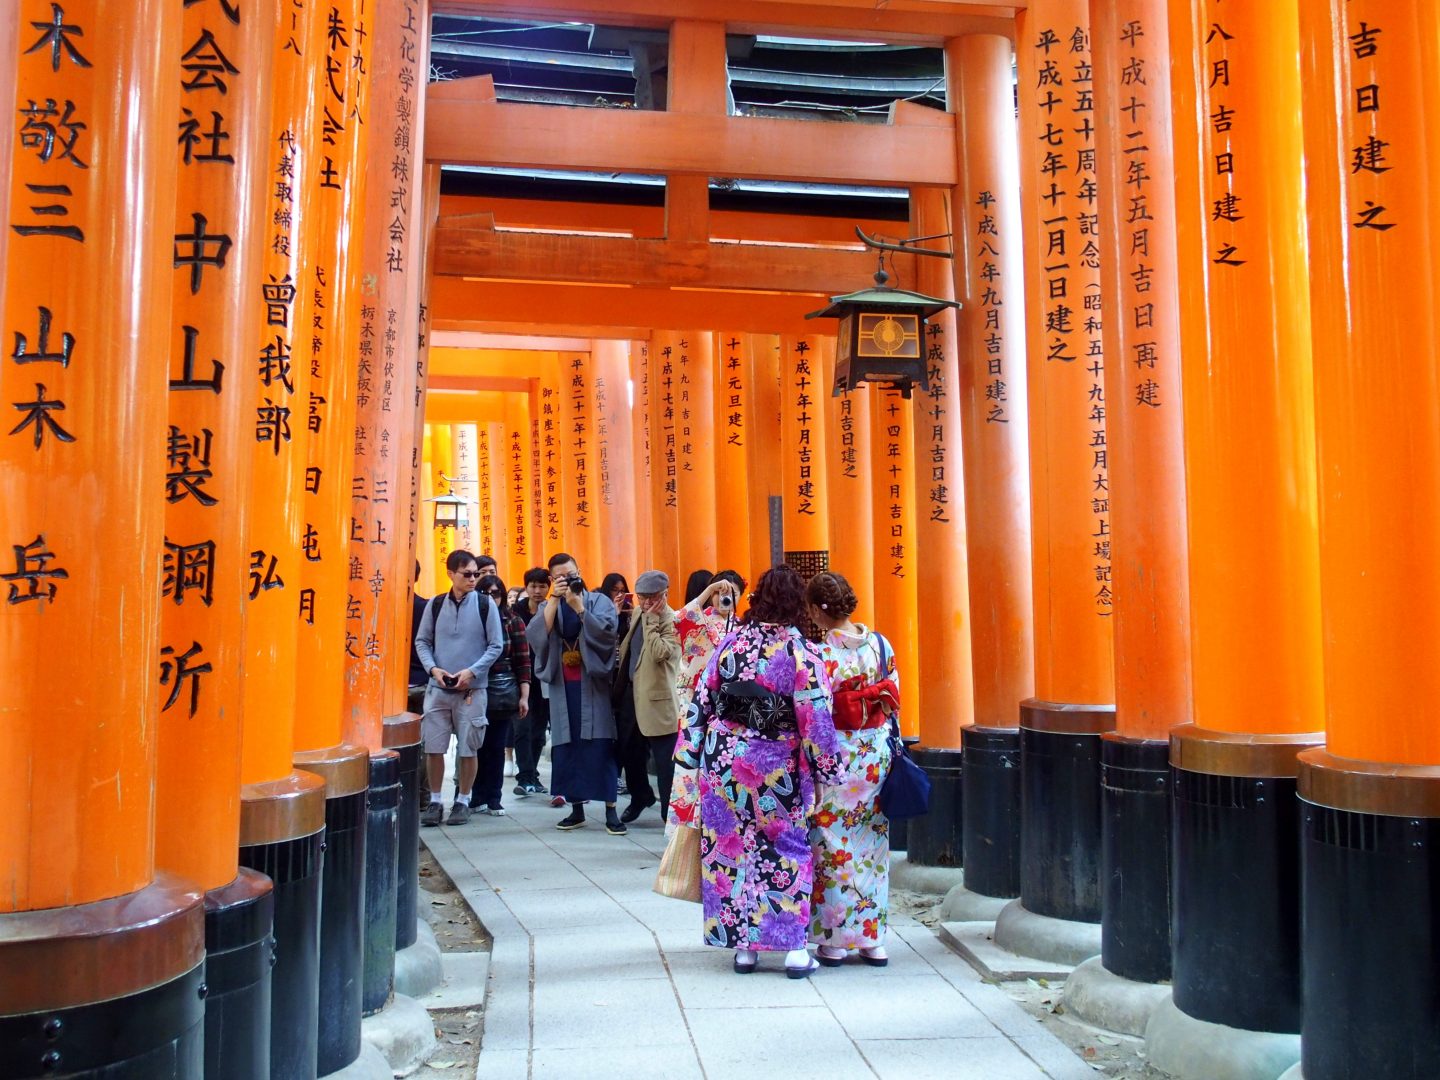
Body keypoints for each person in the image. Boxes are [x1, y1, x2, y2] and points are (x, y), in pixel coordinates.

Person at [675, 565, 842, 977]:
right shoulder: (801, 653)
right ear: (796, 604)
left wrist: (690, 754)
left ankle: (744, 948)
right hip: (775, 761)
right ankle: (793, 949)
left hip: (724, 758)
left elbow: (704, 697)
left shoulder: (731, 644)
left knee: (729, 847)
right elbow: (815, 717)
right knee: (786, 846)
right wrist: (827, 769)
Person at [804, 571, 899, 967]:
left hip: (838, 756)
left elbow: (816, 713)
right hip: (875, 753)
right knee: (873, 844)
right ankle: (872, 939)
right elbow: (893, 697)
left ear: (815, 610)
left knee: (830, 844)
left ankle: (835, 939)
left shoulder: (820, 654)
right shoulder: (879, 644)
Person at [526, 552, 625, 835]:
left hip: (592, 684)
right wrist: (556, 600)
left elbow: (608, 635)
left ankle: (611, 811)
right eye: (559, 577)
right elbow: (536, 637)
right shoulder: (549, 604)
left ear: (580, 571)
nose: (566, 580)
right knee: (567, 748)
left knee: (600, 746)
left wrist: (580, 608)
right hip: (562, 686)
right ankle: (576, 809)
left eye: (570, 574)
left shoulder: (599, 601)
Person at [415, 549, 504, 827]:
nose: (473, 579)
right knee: (434, 747)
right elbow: (422, 642)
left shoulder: (485, 605)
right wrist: (433, 669)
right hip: (438, 688)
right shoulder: (435, 604)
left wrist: (472, 672)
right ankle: (436, 800)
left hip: (472, 691)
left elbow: (496, 646)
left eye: (476, 574)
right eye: (467, 574)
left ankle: (463, 800)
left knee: (469, 748)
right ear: (450, 573)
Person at [668, 569, 746, 829]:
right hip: (694, 704)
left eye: (731, 594)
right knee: (692, 763)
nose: (724, 598)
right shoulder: (699, 620)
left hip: (730, 709)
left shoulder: (745, 628)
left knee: (725, 764)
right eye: (720, 592)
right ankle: (686, 831)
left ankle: (723, 826)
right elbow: (677, 620)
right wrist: (706, 593)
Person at [616, 569, 681, 823]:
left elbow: (660, 653)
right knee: (629, 752)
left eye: (652, 598)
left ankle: (669, 815)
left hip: (659, 700)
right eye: (642, 597)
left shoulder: (673, 619)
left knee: (665, 764)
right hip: (632, 694)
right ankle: (640, 796)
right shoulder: (637, 612)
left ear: (664, 595)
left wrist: (653, 621)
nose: (645, 603)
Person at [471, 574, 531, 817]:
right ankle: (473, 794)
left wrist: (524, 696)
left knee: (495, 745)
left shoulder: (512, 620)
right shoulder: (470, 620)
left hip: (501, 688)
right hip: (473, 687)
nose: (491, 598)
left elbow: (523, 661)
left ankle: (494, 796)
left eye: (496, 593)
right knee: (474, 745)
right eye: (485, 593)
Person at [511, 567, 552, 799]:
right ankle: (525, 776)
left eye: (542, 586)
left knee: (538, 730)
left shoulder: (552, 610)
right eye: (533, 586)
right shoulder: (515, 611)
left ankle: (531, 774)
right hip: (521, 677)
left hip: (544, 676)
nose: (537, 591)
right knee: (522, 728)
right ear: (526, 587)